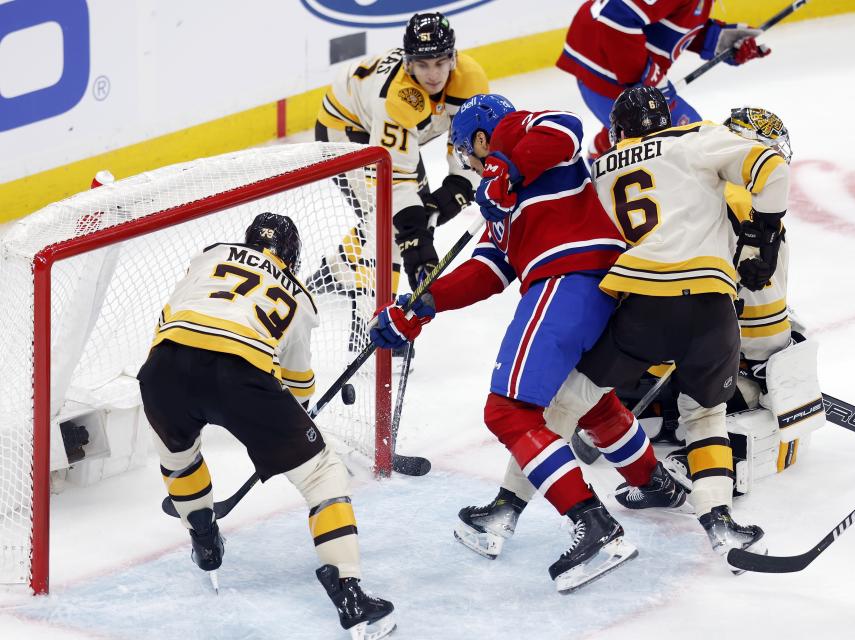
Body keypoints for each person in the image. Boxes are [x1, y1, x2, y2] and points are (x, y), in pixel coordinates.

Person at [367, 94, 683, 592]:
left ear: (478, 138)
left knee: (507, 412)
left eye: (466, 154)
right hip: (593, 288)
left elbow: (566, 126)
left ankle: (595, 525)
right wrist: (422, 306)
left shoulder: (517, 134)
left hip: (569, 279)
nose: (469, 166)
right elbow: (487, 272)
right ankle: (652, 480)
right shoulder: (500, 204)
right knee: (588, 401)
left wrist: (503, 169)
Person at [137, 213, 395, 639]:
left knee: (179, 460)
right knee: (321, 472)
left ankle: (203, 536)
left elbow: (171, 319)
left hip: (162, 367)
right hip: (239, 380)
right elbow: (296, 385)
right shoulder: (301, 297)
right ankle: (348, 592)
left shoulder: (209, 256)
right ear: (293, 257)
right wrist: (294, 427)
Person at [573, 86, 791, 564]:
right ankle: (720, 522)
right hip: (713, 316)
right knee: (708, 415)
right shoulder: (699, 139)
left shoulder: (599, 171)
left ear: (620, 131)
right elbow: (773, 170)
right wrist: (765, 233)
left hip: (640, 315)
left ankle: (519, 502)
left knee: (570, 401)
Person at [621, 107, 824, 497]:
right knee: (783, 377)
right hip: (715, 342)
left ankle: (651, 412)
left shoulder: (680, 177)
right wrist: (774, 367)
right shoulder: (749, 201)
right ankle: (715, 456)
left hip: (647, 337)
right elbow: (762, 307)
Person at [312, 12, 488, 297]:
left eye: (440, 62)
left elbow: (469, 149)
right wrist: (414, 241)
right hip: (346, 130)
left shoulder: (469, 79)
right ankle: (381, 323)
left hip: (383, 131)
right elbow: (396, 186)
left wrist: (459, 186)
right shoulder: (397, 97)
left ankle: (339, 268)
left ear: (453, 59)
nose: (433, 74)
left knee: (420, 216)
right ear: (409, 63)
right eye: (423, 64)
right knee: (392, 227)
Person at [555, 0, 770, 158]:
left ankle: (604, 151)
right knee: (693, 146)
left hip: (608, 65)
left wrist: (718, 40)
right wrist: (645, 78)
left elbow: (674, 19)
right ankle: (609, 157)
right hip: (605, 72)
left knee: (681, 141)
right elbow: (615, 16)